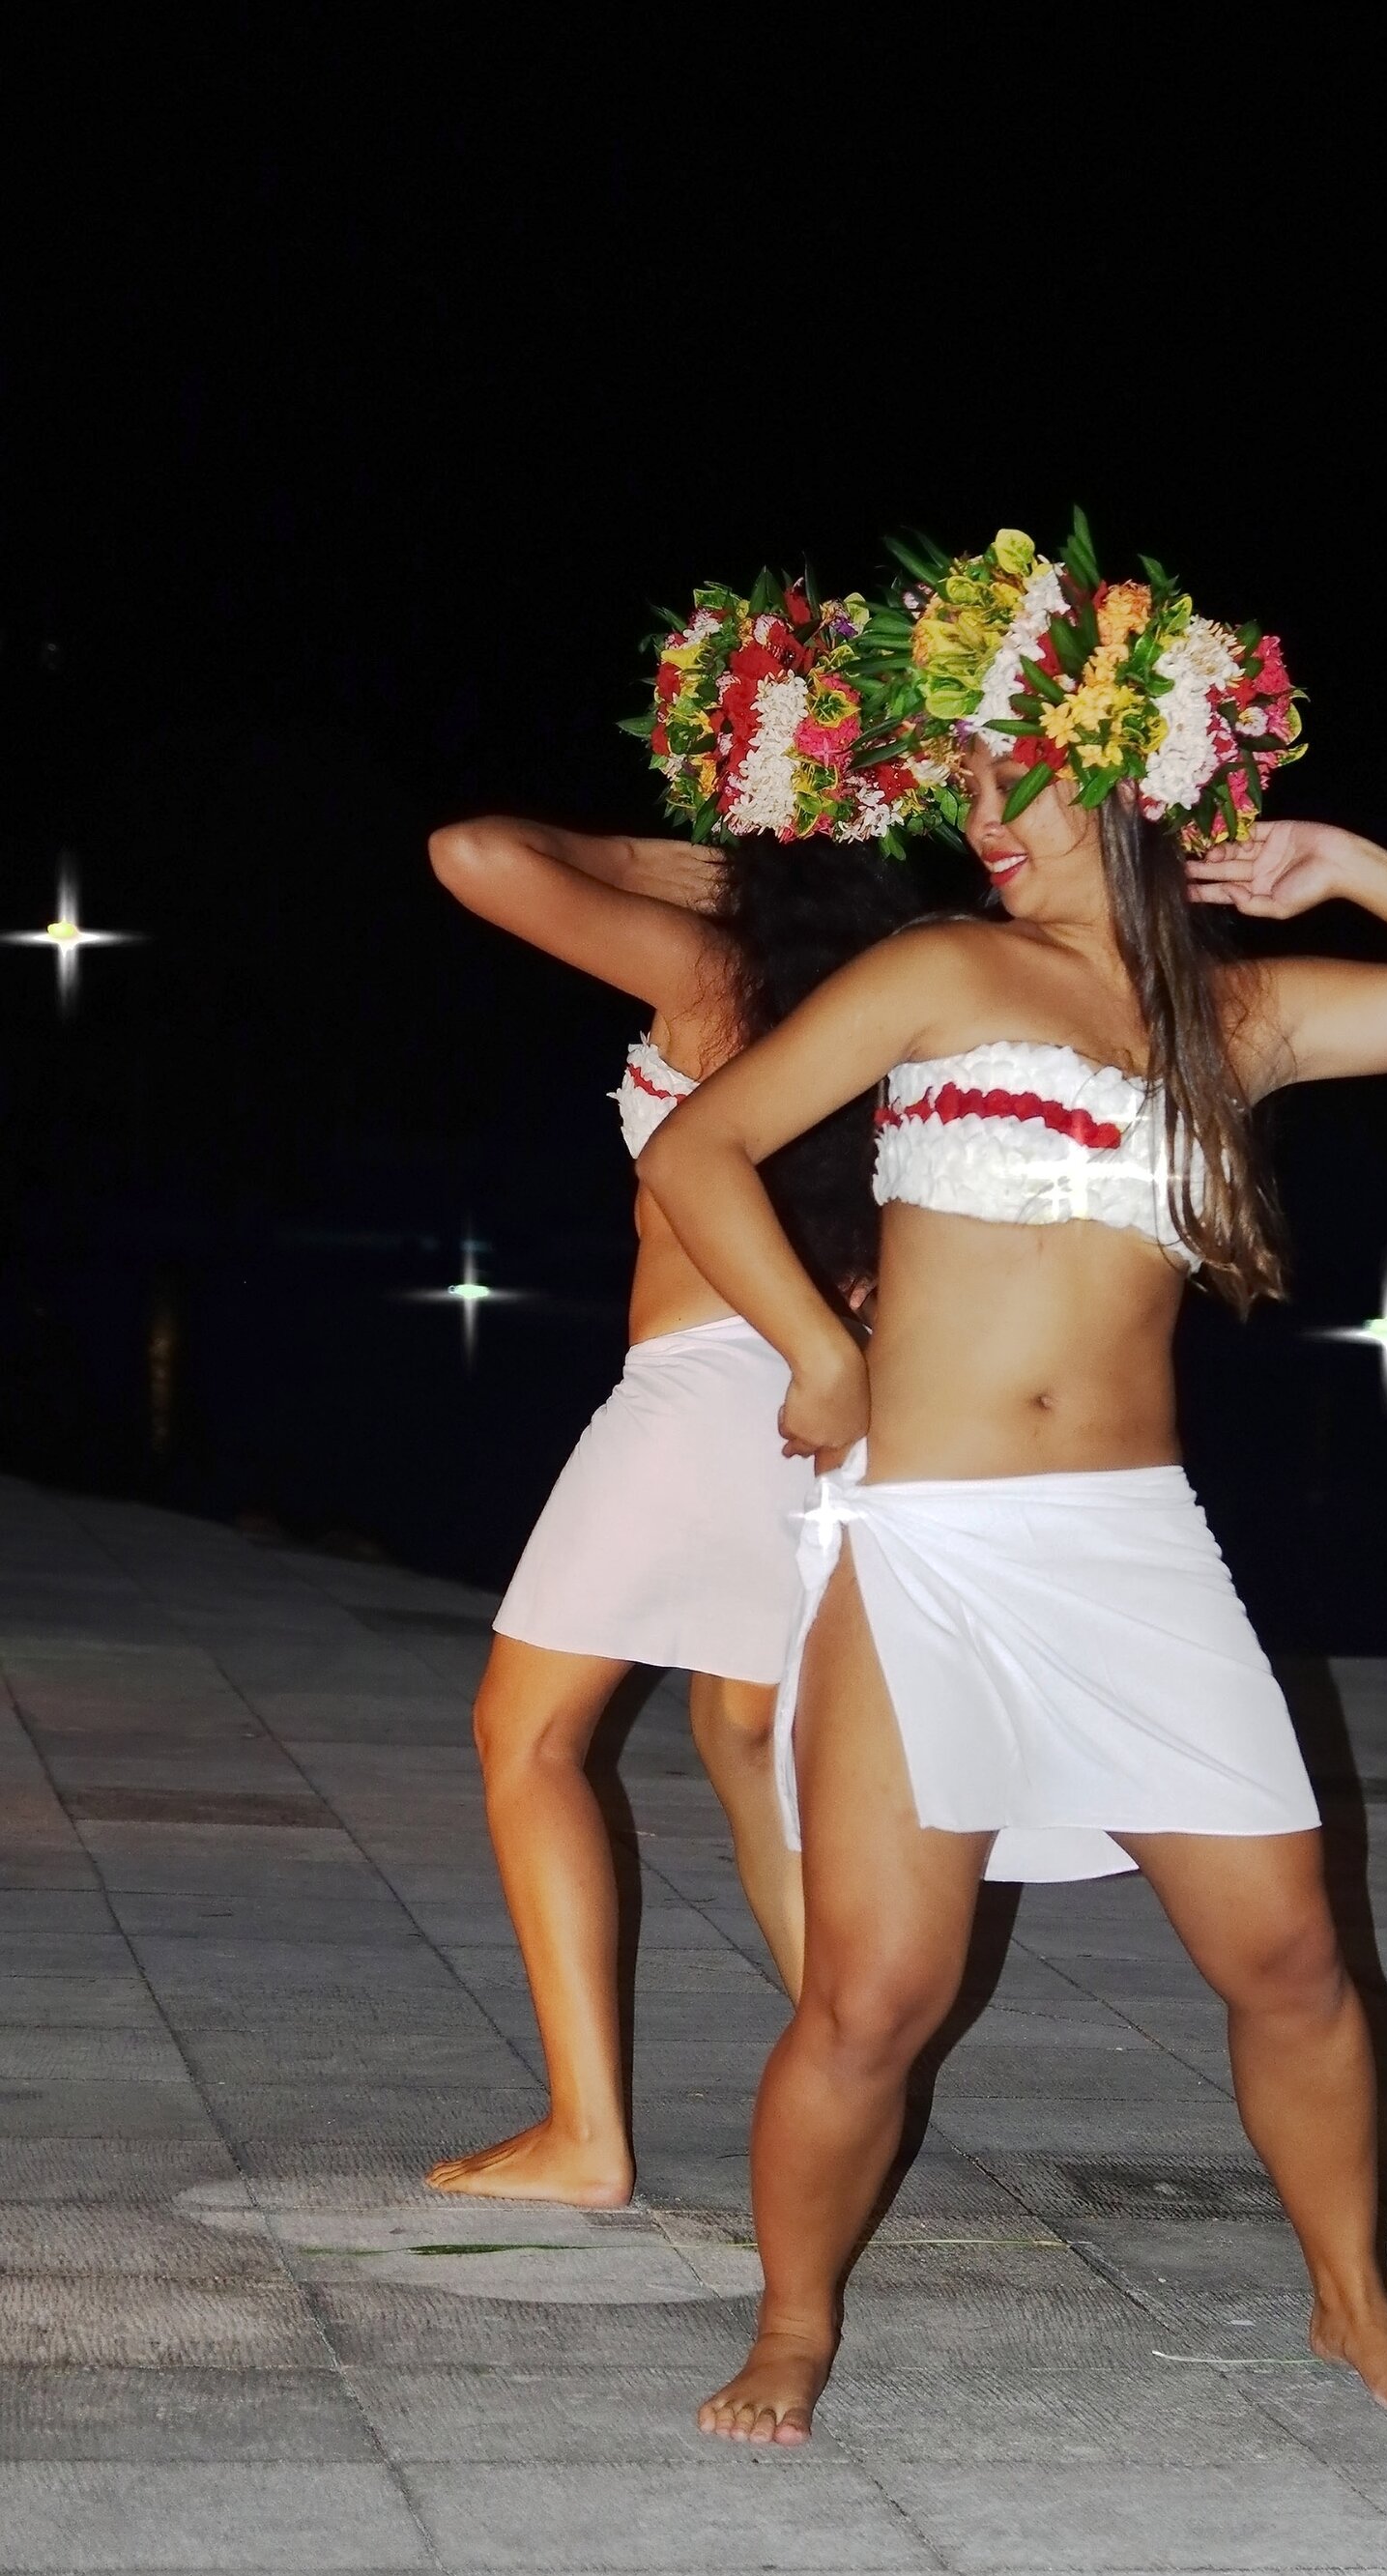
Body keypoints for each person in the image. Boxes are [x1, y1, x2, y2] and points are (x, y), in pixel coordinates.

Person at [638, 524, 1387, 2434]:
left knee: (1293, 1956)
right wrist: (822, 1356)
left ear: (1140, 787)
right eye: (973, 784)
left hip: (1131, 1547)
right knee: (876, 1996)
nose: (986, 815)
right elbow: (704, 1155)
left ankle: (1348, 2299)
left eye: (1027, 781)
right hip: (923, 1547)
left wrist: (1346, 862)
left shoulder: (1239, 1018)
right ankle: (792, 2326)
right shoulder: (939, 970)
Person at [423, 579, 951, 2205]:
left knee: (527, 1733)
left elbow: (477, 855)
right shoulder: (926, 980)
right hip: (848, 1394)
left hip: (714, 1382)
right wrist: (815, 841)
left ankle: (589, 2135)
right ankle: (849, 2084)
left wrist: (742, 849)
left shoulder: (712, 964)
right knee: (743, 1733)